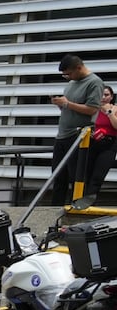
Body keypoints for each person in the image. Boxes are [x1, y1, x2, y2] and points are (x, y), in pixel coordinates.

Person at [51, 54, 104, 206]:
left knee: (77, 177)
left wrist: (67, 104)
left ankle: (75, 208)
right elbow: (70, 107)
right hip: (62, 135)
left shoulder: (94, 82)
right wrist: (61, 104)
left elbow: (92, 109)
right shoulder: (72, 83)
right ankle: (55, 209)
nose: (68, 77)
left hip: (78, 136)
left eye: (69, 73)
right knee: (58, 176)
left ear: (79, 68)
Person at [87, 85, 117, 199]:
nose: (103, 97)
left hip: (109, 144)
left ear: (111, 97)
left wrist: (109, 112)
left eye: (106, 95)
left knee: (98, 175)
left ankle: (90, 200)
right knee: (86, 173)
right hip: (93, 142)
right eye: (101, 95)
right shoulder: (93, 109)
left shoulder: (114, 109)